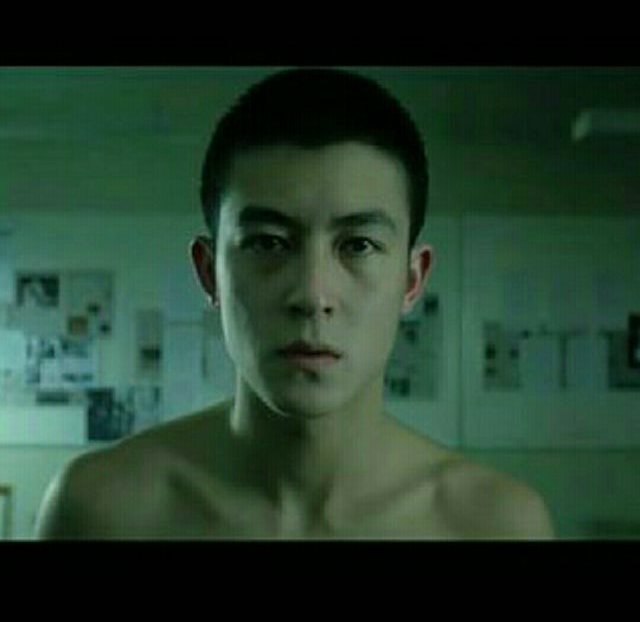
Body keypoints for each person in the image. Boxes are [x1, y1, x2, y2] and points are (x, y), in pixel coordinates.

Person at [35, 68, 554, 540]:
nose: (311, 295)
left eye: (358, 245)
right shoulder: (102, 511)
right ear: (209, 272)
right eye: (268, 242)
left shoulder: (493, 525)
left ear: (412, 280)